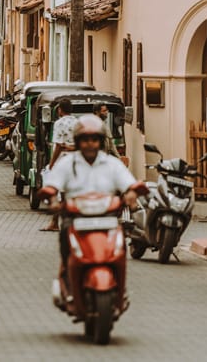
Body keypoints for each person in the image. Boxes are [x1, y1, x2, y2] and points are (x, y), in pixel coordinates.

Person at [41, 115, 140, 288]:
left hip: (107, 218)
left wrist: (131, 193)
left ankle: (120, 286)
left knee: (120, 247)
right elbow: (52, 184)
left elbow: (128, 183)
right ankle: (65, 277)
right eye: (85, 140)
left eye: (94, 140)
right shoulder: (67, 163)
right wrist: (52, 199)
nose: (90, 144)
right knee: (66, 243)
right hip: (76, 218)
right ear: (78, 141)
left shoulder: (111, 164)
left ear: (101, 141)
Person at [42, 99, 78, 231]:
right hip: (76, 161)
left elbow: (58, 146)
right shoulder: (78, 123)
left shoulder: (59, 123)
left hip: (62, 161)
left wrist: (51, 164)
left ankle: (55, 222)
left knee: (57, 192)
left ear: (60, 110)